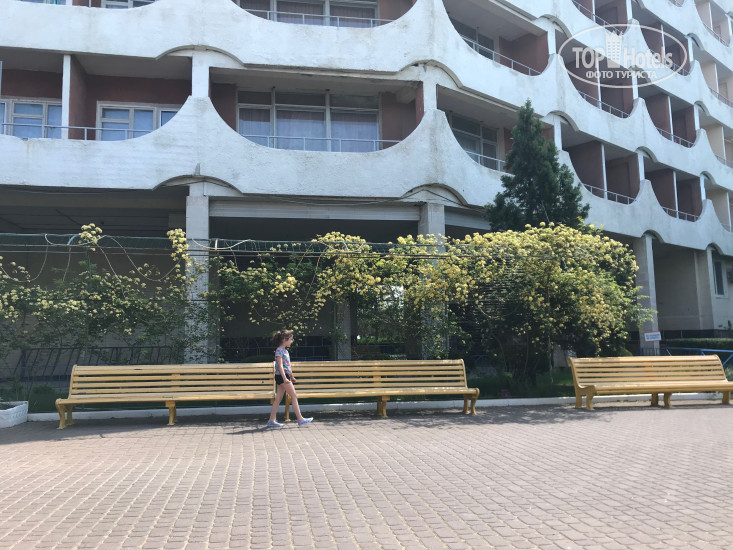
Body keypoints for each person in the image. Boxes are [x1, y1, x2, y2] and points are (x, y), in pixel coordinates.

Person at [267, 329, 313, 427]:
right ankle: (300, 419)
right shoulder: (279, 350)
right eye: (290, 339)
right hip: (282, 376)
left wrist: (292, 376)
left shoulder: (285, 351)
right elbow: (280, 366)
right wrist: (285, 379)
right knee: (294, 396)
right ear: (285, 340)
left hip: (284, 376)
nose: (291, 341)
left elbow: (288, 366)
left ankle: (271, 420)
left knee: (278, 398)